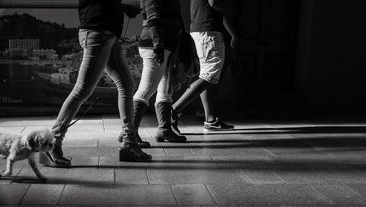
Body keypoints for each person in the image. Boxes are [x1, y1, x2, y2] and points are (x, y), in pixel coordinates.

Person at [40, 0, 152, 168]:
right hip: (98, 31)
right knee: (82, 90)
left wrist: (122, 7)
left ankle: (129, 141)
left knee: (127, 84)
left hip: (109, 34)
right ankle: (52, 144)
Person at [120, 0, 187, 146]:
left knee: (165, 89)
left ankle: (164, 129)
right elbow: (153, 16)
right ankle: (129, 133)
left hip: (167, 46)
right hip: (156, 47)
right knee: (146, 90)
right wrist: (158, 45)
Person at [171, 0, 238, 133]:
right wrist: (231, 8)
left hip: (201, 30)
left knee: (206, 74)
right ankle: (174, 110)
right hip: (209, 31)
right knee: (210, 75)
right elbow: (214, 3)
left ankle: (210, 119)